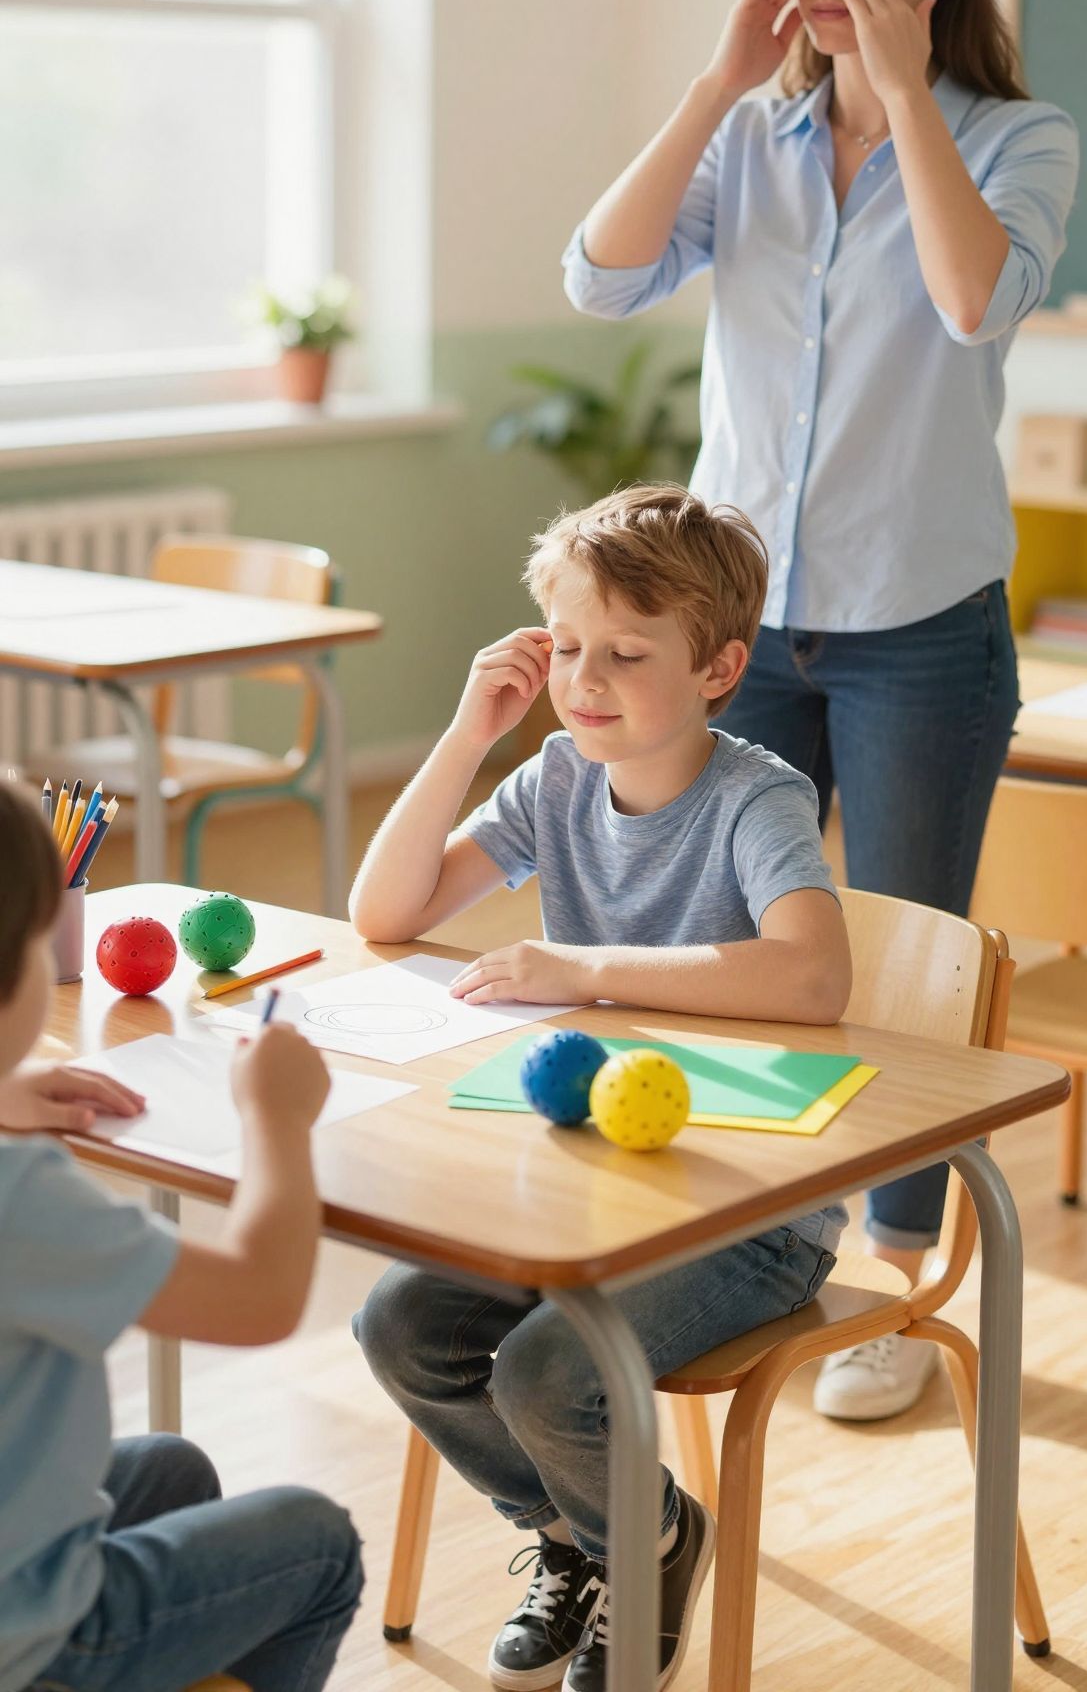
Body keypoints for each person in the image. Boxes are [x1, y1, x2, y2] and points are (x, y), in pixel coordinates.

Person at [562, 0, 1079, 1423]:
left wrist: (904, 95)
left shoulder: (1018, 133)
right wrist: (718, 81)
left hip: (920, 622)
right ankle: (737, 1244)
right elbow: (600, 275)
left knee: (902, 958)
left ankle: (898, 1281)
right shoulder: (750, 142)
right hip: (738, 628)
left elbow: (976, 298)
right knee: (720, 946)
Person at [349, 484, 852, 1692]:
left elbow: (814, 973)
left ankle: (651, 1542)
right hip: (588, 1189)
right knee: (400, 1327)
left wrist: (581, 965)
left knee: (546, 1372)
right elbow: (384, 910)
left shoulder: (756, 797)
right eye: (568, 646)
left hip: (749, 1210)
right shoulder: (559, 781)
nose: (585, 678)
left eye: (628, 653)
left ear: (721, 667)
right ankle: (591, 1537)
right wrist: (470, 731)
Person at [0, 779, 364, 1692]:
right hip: (31, 1637)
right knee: (317, 1545)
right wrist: (274, 1119)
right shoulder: (21, 1197)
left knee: (171, 1470)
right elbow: (262, 1295)